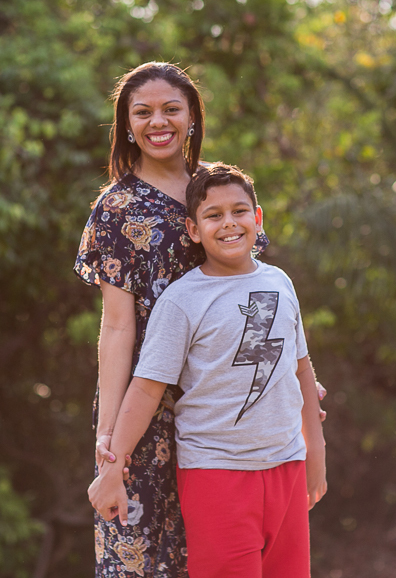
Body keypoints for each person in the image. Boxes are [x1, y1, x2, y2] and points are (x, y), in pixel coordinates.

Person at [75, 63, 271, 578]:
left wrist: (290, 378)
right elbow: (118, 327)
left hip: (222, 403)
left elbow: (256, 291)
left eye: (170, 109)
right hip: (146, 407)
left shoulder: (218, 191)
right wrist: (108, 436)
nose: (157, 122)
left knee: (220, 554)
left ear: (191, 116)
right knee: (137, 553)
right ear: (127, 124)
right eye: (143, 112)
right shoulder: (117, 209)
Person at [88, 163, 327, 578]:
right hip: (218, 474)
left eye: (239, 211)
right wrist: (112, 468)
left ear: (258, 218)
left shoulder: (280, 282)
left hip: (287, 465)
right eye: (214, 215)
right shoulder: (183, 300)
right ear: (193, 229)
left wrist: (316, 451)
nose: (229, 223)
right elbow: (145, 390)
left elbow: (301, 369)